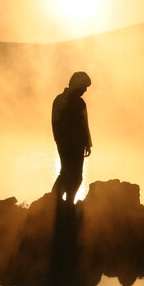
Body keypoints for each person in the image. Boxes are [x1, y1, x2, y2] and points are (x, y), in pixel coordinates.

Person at [51, 71, 92, 204]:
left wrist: (87, 143)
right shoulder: (60, 100)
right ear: (76, 84)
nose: (85, 90)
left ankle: (67, 201)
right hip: (67, 144)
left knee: (76, 176)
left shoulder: (80, 103)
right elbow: (56, 123)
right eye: (84, 86)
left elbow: (85, 124)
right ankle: (55, 200)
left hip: (77, 144)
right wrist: (61, 141)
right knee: (68, 173)